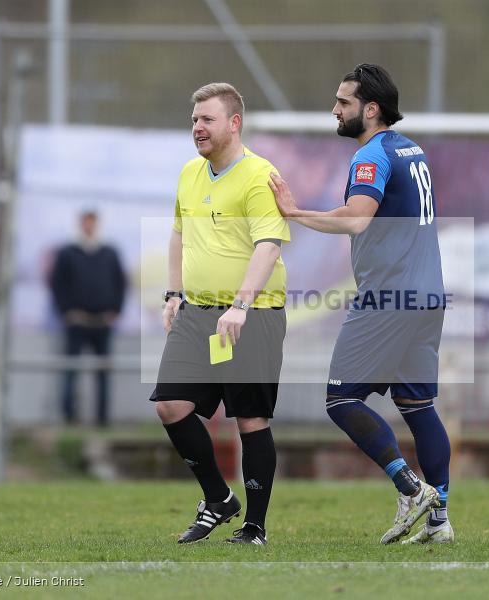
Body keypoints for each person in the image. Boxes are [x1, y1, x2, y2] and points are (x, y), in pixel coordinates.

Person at [269, 64, 453, 545]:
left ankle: (411, 489)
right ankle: (439, 520)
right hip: (428, 294)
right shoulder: (411, 148)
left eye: (343, 102)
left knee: (341, 397)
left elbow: (355, 221)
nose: (335, 109)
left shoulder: (370, 156)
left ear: (370, 109)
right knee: (417, 404)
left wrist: (294, 213)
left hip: (389, 297)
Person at [150, 82, 289, 546]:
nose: (197, 128)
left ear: (234, 123)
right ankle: (218, 499)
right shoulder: (190, 173)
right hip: (197, 313)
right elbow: (177, 234)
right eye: (194, 120)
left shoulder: (259, 175)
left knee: (249, 420)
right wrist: (173, 293)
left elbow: (269, 244)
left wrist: (240, 305)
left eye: (207, 119)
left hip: (253, 314)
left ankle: (255, 528)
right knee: (171, 405)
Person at [49, 210, 127, 427]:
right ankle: (69, 417)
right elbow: (57, 284)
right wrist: (66, 312)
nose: (89, 226)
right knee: (71, 371)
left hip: (102, 322)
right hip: (77, 322)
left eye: (92, 222)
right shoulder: (67, 253)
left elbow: (120, 283)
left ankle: (102, 419)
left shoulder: (109, 252)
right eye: (86, 222)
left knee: (102, 372)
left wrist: (115, 310)